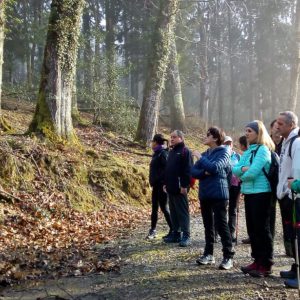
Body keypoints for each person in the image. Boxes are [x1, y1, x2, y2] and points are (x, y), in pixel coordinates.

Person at [233, 120, 274, 277]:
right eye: (246, 130)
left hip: (262, 193)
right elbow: (235, 169)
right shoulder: (249, 151)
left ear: (258, 133)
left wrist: (242, 172)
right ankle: (257, 260)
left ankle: (266, 264)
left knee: (262, 228)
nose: (246, 133)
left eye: (249, 130)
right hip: (249, 193)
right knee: (252, 228)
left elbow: (253, 173)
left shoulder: (264, 150)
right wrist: (243, 170)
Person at [192, 127, 235, 270]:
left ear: (216, 138)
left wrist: (200, 159)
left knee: (222, 225)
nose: (205, 137)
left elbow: (215, 168)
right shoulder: (206, 153)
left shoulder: (224, 152)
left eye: (208, 135)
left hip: (219, 194)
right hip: (205, 194)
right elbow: (193, 171)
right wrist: (204, 171)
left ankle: (228, 256)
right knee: (208, 225)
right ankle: (208, 254)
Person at [275, 111, 300, 289]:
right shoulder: (285, 142)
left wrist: (293, 186)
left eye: (281, 123)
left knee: (298, 235)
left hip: (295, 196)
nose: (277, 126)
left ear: (291, 125)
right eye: (277, 123)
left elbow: (297, 170)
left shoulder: (297, 143)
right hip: (286, 195)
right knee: (292, 234)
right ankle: (296, 267)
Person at [163, 130, 193, 247]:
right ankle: (176, 234)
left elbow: (188, 170)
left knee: (182, 212)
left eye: (174, 137)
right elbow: (168, 169)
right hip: (171, 187)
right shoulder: (171, 152)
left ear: (181, 138)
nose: (172, 139)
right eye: (171, 137)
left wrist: (185, 186)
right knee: (174, 211)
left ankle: (186, 235)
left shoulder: (185, 151)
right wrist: (165, 183)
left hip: (181, 188)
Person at [146, 133, 173, 240]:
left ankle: (173, 229)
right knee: (154, 208)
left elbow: (167, 169)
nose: (151, 143)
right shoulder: (157, 153)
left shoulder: (163, 153)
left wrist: (163, 183)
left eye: (152, 141)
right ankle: (153, 230)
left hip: (161, 186)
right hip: (156, 186)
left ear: (156, 142)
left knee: (164, 207)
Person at [223, 136, 241, 243]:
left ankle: (231, 232)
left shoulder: (237, 156)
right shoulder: (222, 155)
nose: (228, 145)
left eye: (230, 143)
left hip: (235, 186)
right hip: (223, 186)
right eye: (226, 143)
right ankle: (220, 232)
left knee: (233, 209)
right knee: (221, 209)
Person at [238, 135, 251, 245]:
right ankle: (251, 235)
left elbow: (249, 171)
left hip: (251, 188)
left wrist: (241, 173)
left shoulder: (251, 154)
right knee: (249, 214)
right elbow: (237, 169)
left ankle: (252, 235)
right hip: (246, 187)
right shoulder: (244, 155)